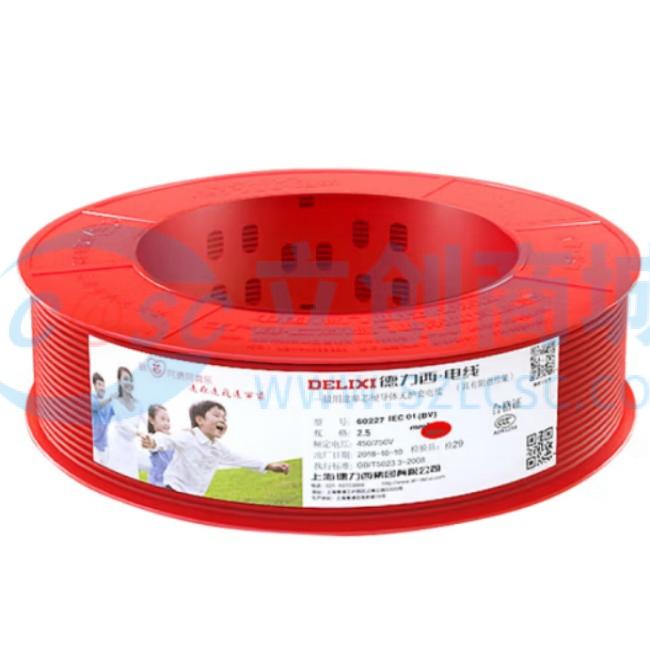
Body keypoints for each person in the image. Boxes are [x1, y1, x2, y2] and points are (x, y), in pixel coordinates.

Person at [140, 400, 289, 496]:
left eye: (224, 418)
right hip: (173, 490)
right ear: (200, 420)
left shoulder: (218, 449)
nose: (221, 420)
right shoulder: (188, 436)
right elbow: (167, 440)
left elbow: (240, 458)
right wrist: (152, 442)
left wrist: (268, 466)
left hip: (195, 497)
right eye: (217, 415)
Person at [104, 367, 146, 479]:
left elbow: (148, 420)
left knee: (131, 478)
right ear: (119, 382)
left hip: (131, 447)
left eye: (131, 380)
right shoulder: (115, 401)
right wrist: (139, 433)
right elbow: (121, 422)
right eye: (125, 379)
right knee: (114, 478)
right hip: (117, 446)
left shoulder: (138, 403)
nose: (129, 382)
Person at [146, 404, 174, 487]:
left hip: (170, 483)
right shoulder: (155, 437)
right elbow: (154, 443)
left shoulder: (171, 439)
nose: (166, 423)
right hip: (157, 484)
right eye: (162, 419)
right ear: (152, 420)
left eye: (168, 420)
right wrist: (150, 443)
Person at [91, 372, 115, 465]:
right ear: (94, 386)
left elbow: (119, 413)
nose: (102, 387)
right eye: (99, 384)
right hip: (93, 445)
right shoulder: (91, 398)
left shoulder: (109, 404)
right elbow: (97, 405)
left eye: (103, 385)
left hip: (104, 445)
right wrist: (109, 399)